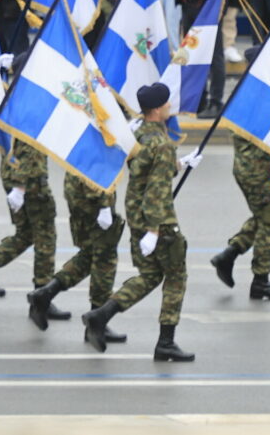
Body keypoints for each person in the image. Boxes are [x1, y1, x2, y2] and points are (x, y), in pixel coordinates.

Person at [82, 82, 200, 362]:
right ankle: (166, 342)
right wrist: (155, 230)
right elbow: (157, 190)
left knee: (149, 276)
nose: (170, 107)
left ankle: (101, 314)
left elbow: (146, 172)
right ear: (157, 109)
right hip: (157, 221)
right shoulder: (161, 143)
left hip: (136, 214)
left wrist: (181, 164)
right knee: (175, 277)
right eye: (167, 104)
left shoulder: (140, 134)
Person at [0, 56, 70, 322]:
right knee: (45, 236)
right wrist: (22, 187)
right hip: (29, 178)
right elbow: (29, 146)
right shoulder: (32, 98)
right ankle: (41, 297)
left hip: (12, 173)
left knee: (25, 234)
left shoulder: (11, 92)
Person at [211, 54, 270, 302]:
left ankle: (230, 254)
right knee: (268, 225)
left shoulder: (245, 90)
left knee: (264, 216)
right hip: (259, 169)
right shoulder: (262, 96)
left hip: (248, 167)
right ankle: (260, 281)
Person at [26, 172, 126, 342]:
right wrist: (104, 204)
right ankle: (97, 321)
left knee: (89, 255)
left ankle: (45, 293)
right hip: (94, 196)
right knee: (104, 260)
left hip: (79, 192)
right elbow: (95, 163)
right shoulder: (99, 143)